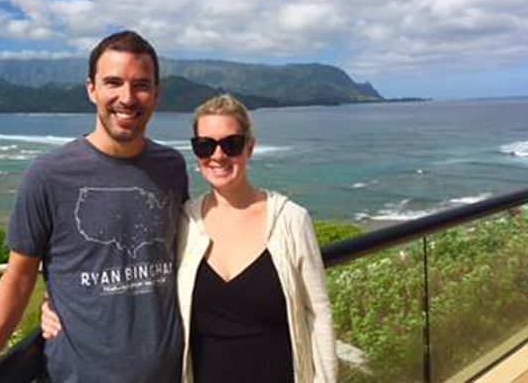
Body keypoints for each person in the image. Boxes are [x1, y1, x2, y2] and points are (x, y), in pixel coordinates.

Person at [43, 94, 337, 382]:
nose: (218, 156)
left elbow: (318, 313)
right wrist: (58, 300)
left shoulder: (290, 221)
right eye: (205, 145)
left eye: (231, 144)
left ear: (250, 147)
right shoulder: (185, 221)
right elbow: (141, 272)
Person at [0, 31, 188, 383]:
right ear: (91, 89)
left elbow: (182, 254)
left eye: (141, 85)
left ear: (156, 93)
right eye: (113, 83)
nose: (127, 98)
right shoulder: (48, 175)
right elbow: (18, 278)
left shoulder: (171, 167)